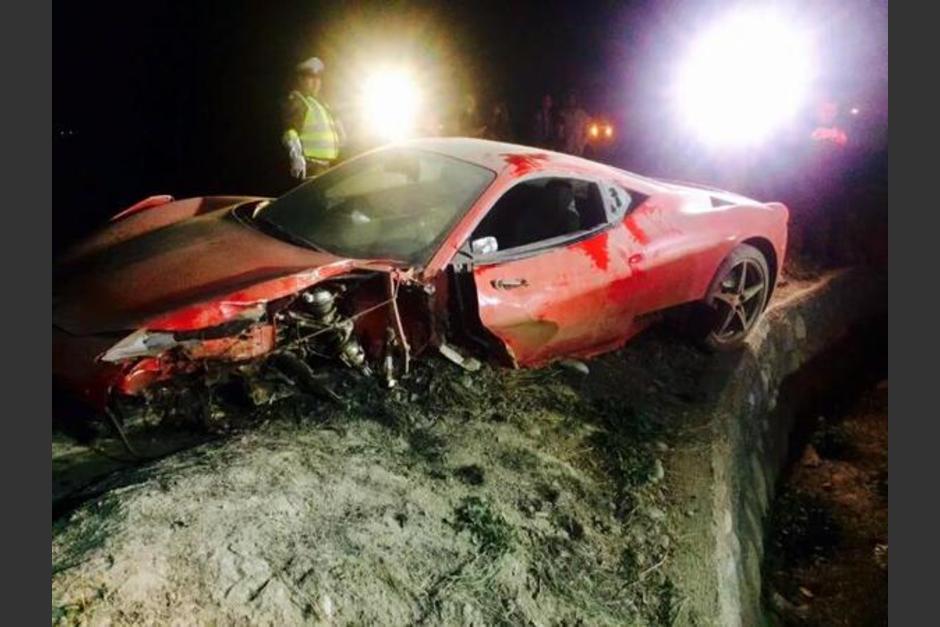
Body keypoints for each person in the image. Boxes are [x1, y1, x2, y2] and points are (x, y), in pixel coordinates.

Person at [282, 57, 345, 180]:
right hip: (311, 166)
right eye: (311, 78)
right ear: (301, 79)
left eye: (318, 78)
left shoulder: (320, 104)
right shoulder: (298, 101)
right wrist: (296, 156)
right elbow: (290, 131)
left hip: (327, 165)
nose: (316, 82)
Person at [558, 91, 590, 156]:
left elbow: (587, 132)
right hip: (566, 148)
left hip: (578, 149)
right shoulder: (563, 114)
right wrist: (562, 143)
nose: (571, 101)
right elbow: (560, 131)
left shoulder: (583, 115)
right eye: (570, 99)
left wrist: (582, 145)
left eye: (573, 99)